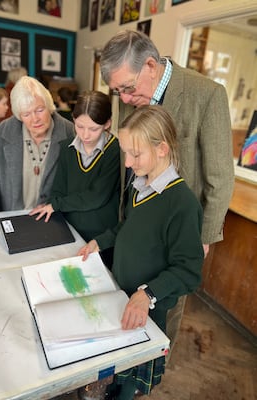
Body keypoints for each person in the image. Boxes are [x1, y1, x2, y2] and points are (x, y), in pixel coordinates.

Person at [99, 29, 234, 347]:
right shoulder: (128, 94)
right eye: (118, 92)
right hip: (135, 218)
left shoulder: (207, 93)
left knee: (162, 314)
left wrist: (202, 239)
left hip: (175, 229)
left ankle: (152, 371)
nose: (126, 100)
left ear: (149, 65)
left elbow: (220, 176)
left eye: (128, 88)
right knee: (126, 303)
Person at [78, 105, 204, 400]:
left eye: (135, 154)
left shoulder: (182, 204)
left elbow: (189, 269)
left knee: (129, 383)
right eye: (125, 152)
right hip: (120, 298)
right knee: (114, 373)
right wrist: (100, 242)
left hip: (146, 314)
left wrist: (147, 295)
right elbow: (127, 226)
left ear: (162, 149)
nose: (127, 162)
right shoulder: (139, 186)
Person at [0, 76, 75, 224]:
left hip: (53, 219)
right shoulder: (3, 132)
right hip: (13, 216)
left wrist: (56, 203)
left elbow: (76, 182)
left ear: (49, 105)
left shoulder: (70, 132)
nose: (35, 119)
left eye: (39, 110)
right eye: (26, 114)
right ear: (19, 115)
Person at [30, 90, 120, 263]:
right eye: (79, 126)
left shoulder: (115, 150)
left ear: (107, 123)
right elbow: (58, 189)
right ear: (73, 119)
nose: (85, 135)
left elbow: (97, 196)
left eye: (93, 129)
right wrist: (52, 207)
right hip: (69, 231)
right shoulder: (66, 148)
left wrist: (56, 205)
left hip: (100, 238)